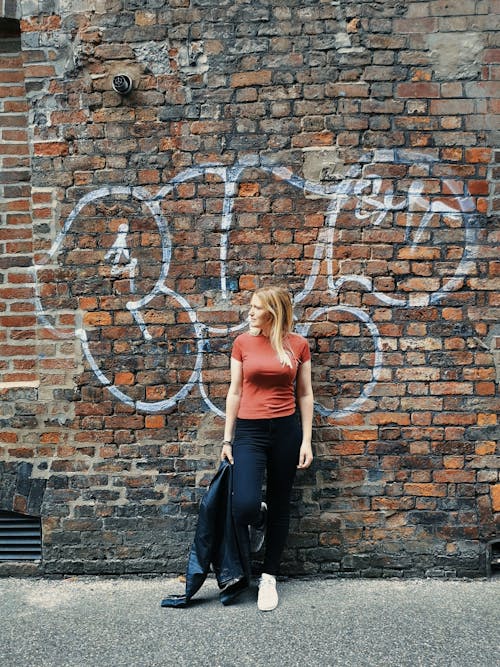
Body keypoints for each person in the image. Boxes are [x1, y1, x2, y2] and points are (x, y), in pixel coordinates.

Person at [221, 285, 314, 612]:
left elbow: (305, 394)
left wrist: (306, 439)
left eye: (257, 307)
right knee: (245, 505)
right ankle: (257, 516)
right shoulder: (242, 343)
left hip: (286, 431)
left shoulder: (298, 345)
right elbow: (234, 392)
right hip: (250, 431)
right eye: (252, 306)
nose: (250, 311)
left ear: (273, 312)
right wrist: (227, 438)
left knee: (280, 503)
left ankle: (269, 577)